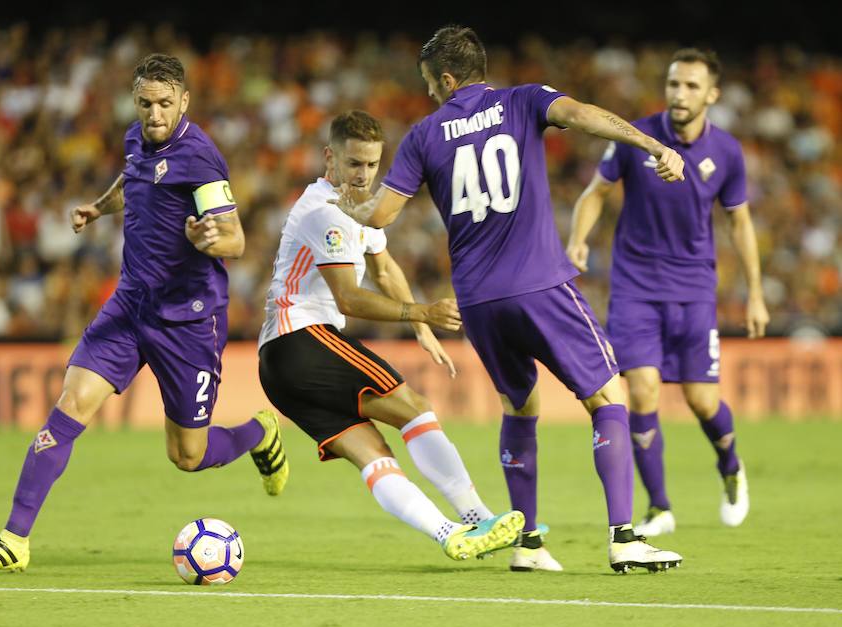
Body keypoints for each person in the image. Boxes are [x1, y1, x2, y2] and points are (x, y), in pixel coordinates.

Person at [331, 26, 685, 573]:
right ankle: (624, 536)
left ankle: (529, 544)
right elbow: (589, 115)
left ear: (447, 79)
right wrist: (655, 145)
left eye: (429, 82)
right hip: (541, 282)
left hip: (477, 301)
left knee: (521, 407)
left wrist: (341, 206)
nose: (428, 93)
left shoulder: (426, 134)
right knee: (608, 399)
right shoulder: (526, 100)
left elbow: (379, 215)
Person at [0, 54, 288, 576]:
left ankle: (259, 432)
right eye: (144, 104)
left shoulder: (201, 159)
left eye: (163, 104)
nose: (154, 114)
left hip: (187, 322)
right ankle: (14, 540)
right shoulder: (136, 140)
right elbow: (133, 179)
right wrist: (98, 206)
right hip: (130, 306)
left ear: (184, 101)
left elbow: (237, 237)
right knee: (69, 406)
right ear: (134, 102)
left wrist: (210, 236)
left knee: (187, 456)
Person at [258, 110, 525, 562]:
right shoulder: (325, 214)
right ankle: (478, 516)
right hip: (301, 338)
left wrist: (421, 330)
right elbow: (348, 298)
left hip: (277, 367)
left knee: (374, 454)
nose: (363, 175)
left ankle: (450, 534)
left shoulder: (359, 212)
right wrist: (422, 311)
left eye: (372, 165)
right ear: (330, 158)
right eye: (354, 164)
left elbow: (383, 268)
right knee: (415, 410)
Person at [567, 48, 768, 536]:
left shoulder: (727, 153)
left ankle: (731, 467)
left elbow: (739, 222)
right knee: (642, 392)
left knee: (702, 402)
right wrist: (576, 240)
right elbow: (595, 193)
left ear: (712, 95)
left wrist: (756, 292)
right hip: (635, 287)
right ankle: (659, 507)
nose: (680, 94)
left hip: (695, 290)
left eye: (692, 86)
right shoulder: (636, 137)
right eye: (674, 84)